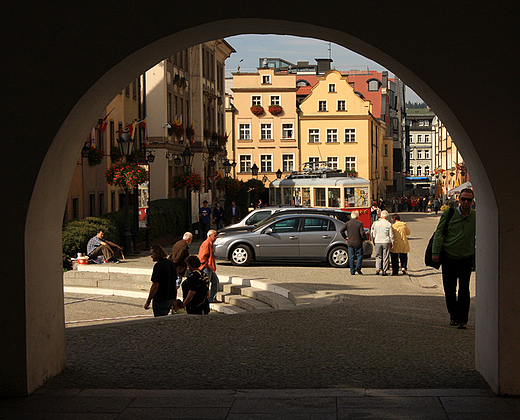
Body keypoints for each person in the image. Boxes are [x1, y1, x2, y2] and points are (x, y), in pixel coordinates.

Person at [432, 188, 476, 330]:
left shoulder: (476, 216)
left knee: (464, 289)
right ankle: (453, 315)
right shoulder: (449, 213)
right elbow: (439, 232)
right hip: (449, 257)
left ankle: (463, 319)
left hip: (466, 257)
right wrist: (435, 251)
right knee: (450, 289)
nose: (466, 202)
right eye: (463, 199)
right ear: (459, 199)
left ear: (472, 201)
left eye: (469, 200)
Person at [144, 245, 177, 317]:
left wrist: (148, 300)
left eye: (152, 254)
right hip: (170, 297)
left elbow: (155, 285)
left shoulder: (158, 266)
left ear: (157, 253)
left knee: (159, 318)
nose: (151, 256)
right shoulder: (172, 264)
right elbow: (174, 283)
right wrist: (174, 298)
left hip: (161, 298)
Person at [339, 210, 366, 275]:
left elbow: (341, 230)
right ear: (357, 216)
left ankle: (352, 271)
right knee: (360, 255)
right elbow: (362, 233)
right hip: (358, 242)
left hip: (350, 242)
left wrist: (345, 237)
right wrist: (364, 238)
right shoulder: (359, 223)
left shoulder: (348, 223)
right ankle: (358, 267)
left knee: (351, 257)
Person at [198, 229, 220, 303]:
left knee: (215, 281)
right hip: (206, 267)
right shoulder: (206, 244)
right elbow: (202, 257)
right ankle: (206, 299)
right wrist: (206, 265)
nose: (216, 237)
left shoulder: (209, 243)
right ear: (209, 236)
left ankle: (212, 298)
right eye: (214, 236)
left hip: (209, 267)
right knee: (206, 284)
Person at [370, 210, 394, 276]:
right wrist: (392, 242)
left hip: (378, 241)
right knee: (385, 256)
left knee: (378, 256)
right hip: (386, 241)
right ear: (387, 216)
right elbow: (391, 235)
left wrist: (373, 240)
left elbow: (373, 233)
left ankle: (377, 269)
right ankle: (384, 270)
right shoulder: (388, 224)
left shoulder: (376, 223)